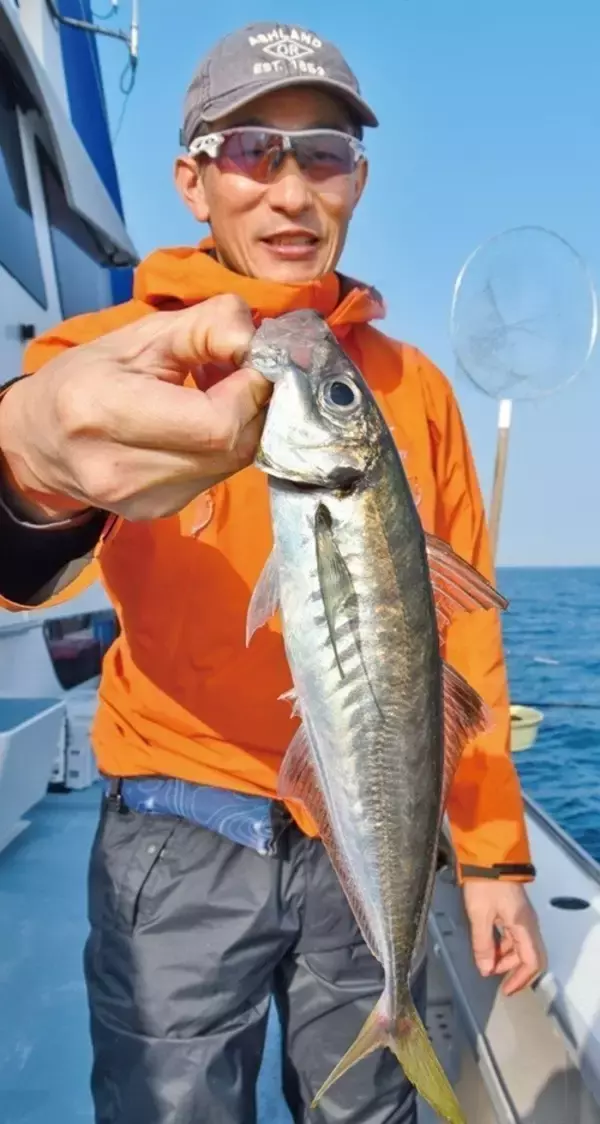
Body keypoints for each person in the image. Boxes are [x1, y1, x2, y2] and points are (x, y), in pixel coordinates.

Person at [0, 21, 546, 1124]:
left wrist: (493, 859)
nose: (291, 189)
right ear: (193, 181)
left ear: (359, 179)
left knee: (370, 1110)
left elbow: (465, 645)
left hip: (366, 836)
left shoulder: (417, 391)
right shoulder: (105, 350)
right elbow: (23, 553)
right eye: (254, 150)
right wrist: (31, 469)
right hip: (178, 835)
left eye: (325, 153)